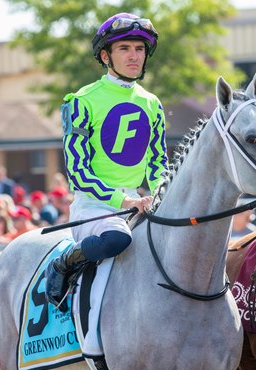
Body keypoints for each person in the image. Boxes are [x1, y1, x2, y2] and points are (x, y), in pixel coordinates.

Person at [45, 12, 169, 311]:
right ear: (106, 55)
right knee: (116, 239)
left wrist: (162, 192)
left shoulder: (152, 103)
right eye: (124, 48)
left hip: (137, 204)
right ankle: (64, 263)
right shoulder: (81, 101)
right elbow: (78, 172)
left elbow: (157, 162)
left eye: (139, 49)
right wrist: (124, 201)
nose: (134, 56)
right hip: (94, 207)